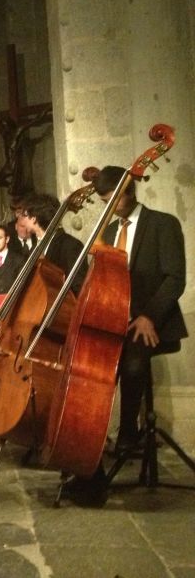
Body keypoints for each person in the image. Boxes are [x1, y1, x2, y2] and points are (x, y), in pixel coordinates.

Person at [94, 166, 187, 453]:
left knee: (132, 363)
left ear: (129, 192)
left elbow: (175, 278)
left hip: (153, 320)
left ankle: (128, 434)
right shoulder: (108, 232)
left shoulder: (163, 223)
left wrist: (149, 316)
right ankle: (90, 435)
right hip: (118, 318)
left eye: (114, 200)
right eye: (104, 202)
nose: (109, 208)